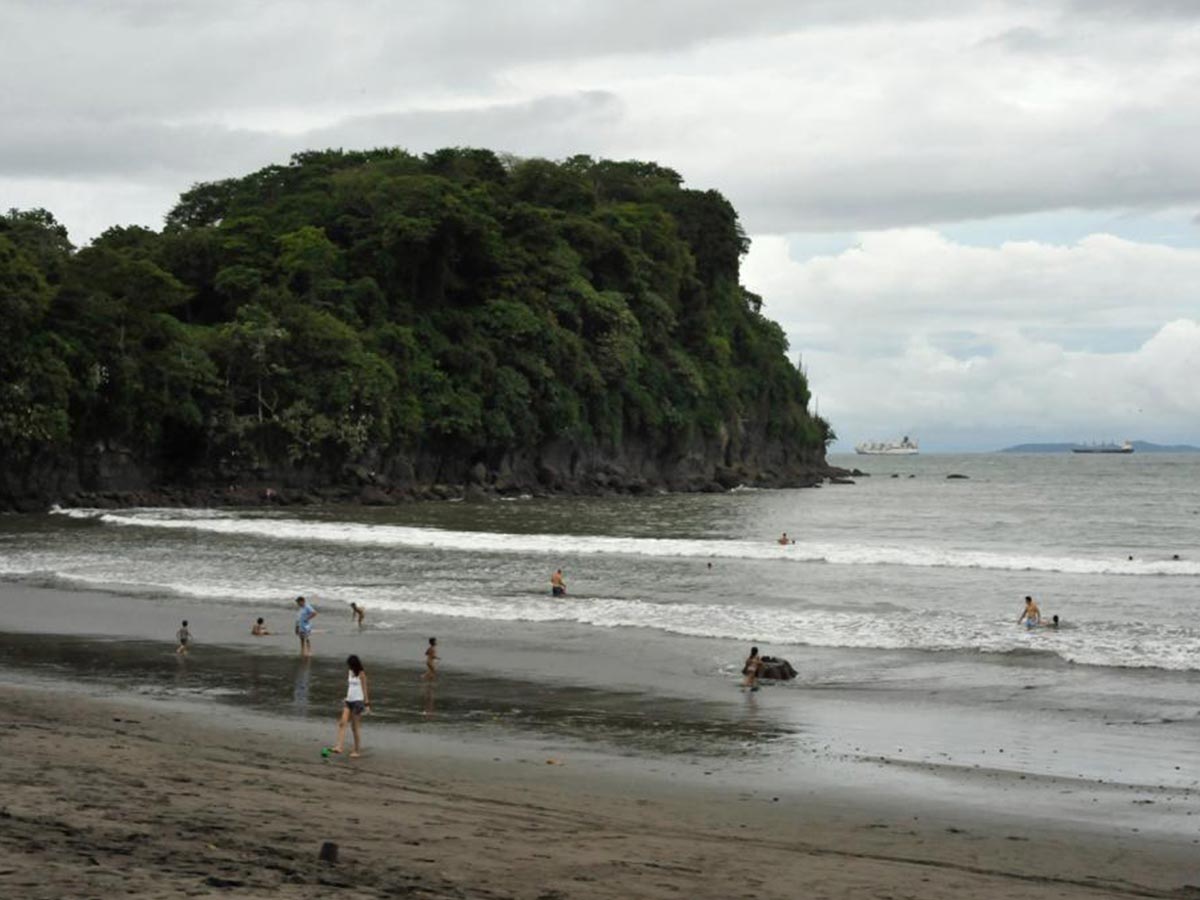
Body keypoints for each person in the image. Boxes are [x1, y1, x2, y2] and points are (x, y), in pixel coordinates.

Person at [330, 654, 370, 758]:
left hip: (358, 702)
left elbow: (365, 689)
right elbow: (350, 686)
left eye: (350, 665)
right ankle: (339, 746)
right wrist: (346, 697)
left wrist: (367, 704)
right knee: (342, 723)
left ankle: (357, 750)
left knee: (354, 727)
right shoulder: (350, 672)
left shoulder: (361, 674)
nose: (349, 667)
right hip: (348, 701)